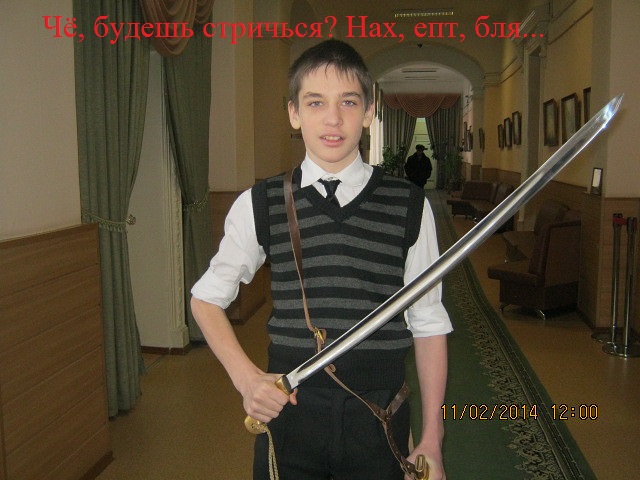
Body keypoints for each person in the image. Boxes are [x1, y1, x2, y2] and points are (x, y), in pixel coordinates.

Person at [191, 39, 451, 480]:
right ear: (294, 113)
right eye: (315, 102)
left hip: (379, 413)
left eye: (348, 102)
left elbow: (428, 323)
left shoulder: (409, 205)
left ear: (369, 112)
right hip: (291, 415)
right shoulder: (261, 202)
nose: (333, 119)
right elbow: (205, 299)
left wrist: (432, 437)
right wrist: (246, 378)